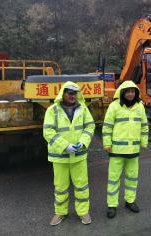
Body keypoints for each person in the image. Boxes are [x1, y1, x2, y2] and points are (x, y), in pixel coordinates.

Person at [43, 81, 95, 226]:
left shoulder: (83, 109)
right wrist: (65, 146)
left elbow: (90, 126)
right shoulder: (52, 110)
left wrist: (83, 142)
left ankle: (83, 212)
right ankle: (60, 212)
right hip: (60, 157)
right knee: (60, 187)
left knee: (82, 186)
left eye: (75, 93)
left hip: (78, 156)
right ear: (63, 94)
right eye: (69, 93)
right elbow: (48, 131)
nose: (72, 96)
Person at [102, 81, 148, 219]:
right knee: (113, 179)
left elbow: (144, 126)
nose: (130, 94)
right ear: (122, 92)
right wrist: (106, 143)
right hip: (117, 150)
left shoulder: (140, 107)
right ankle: (112, 205)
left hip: (133, 150)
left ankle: (130, 201)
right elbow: (107, 126)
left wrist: (144, 142)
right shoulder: (114, 106)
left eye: (133, 91)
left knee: (132, 178)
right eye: (128, 91)